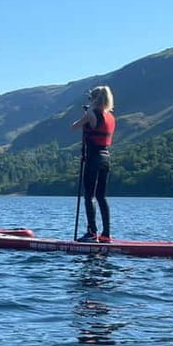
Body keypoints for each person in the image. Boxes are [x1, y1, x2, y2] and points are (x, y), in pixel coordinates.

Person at [71, 86, 116, 243]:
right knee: (101, 197)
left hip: (93, 158)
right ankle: (106, 234)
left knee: (89, 196)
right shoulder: (110, 117)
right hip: (106, 158)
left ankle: (91, 233)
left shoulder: (91, 113)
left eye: (91, 99)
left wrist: (87, 112)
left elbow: (74, 127)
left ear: (95, 99)